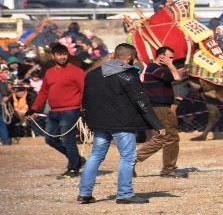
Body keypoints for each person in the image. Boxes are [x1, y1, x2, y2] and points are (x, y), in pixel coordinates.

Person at [78, 43, 166, 204]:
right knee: (128, 156)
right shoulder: (129, 75)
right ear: (130, 58)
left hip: (99, 123)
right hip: (122, 123)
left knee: (96, 156)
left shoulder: (92, 75)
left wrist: (88, 120)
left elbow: (86, 100)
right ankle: (125, 194)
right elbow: (142, 102)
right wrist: (157, 124)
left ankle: (84, 193)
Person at [24, 43, 86, 179]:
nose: (63, 57)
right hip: (54, 112)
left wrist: (82, 110)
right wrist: (33, 108)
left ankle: (73, 168)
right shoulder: (49, 72)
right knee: (50, 139)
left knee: (67, 139)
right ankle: (77, 159)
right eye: (59, 54)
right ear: (54, 56)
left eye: (64, 54)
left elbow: (84, 91)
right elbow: (43, 92)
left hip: (70, 110)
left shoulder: (77, 71)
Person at [134, 46, 187, 178]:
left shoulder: (159, 69)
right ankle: (168, 169)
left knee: (162, 138)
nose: (172, 60)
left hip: (161, 107)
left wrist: (169, 64)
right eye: (169, 57)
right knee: (171, 137)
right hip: (160, 108)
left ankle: (131, 160)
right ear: (161, 56)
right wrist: (170, 64)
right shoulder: (155, 68)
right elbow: (177, 77)